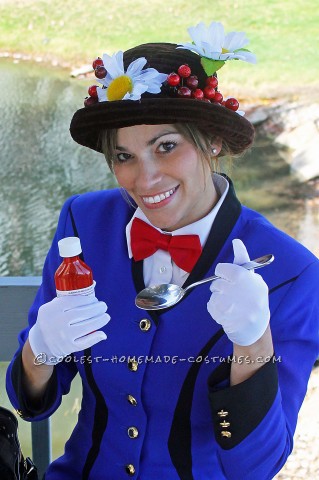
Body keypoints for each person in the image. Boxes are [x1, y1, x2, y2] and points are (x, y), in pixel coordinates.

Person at [6, 20, 319, 480]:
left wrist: (253, 343)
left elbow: (258, 466)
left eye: (166, 146)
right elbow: (31, 403)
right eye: (123, 156)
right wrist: (40, 351)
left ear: (212, 141)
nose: (144, 179)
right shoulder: (84, 223)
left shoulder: (292, 272)